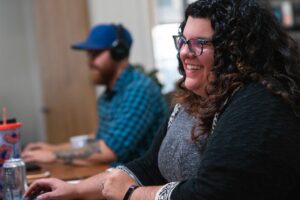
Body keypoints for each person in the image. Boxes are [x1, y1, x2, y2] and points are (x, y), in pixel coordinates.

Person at [24, 0, 300, 199]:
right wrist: (75, 190)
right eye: (183, 40)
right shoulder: (190, 101)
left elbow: (212, 192)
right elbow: (149, 165)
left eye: (199, 43)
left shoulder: (258, 103)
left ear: (238, 50)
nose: (185, 52)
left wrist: (131, 194)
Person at [22, 23, 168, 167]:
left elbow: (109, 150)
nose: (90, 62)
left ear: (119, 53)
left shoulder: (139, 90)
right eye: (89, 55)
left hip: (139, 184)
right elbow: (99, 139)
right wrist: (51, 148)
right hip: (114, 176)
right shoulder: (108, 96)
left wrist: (54, 156)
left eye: (96, 54)